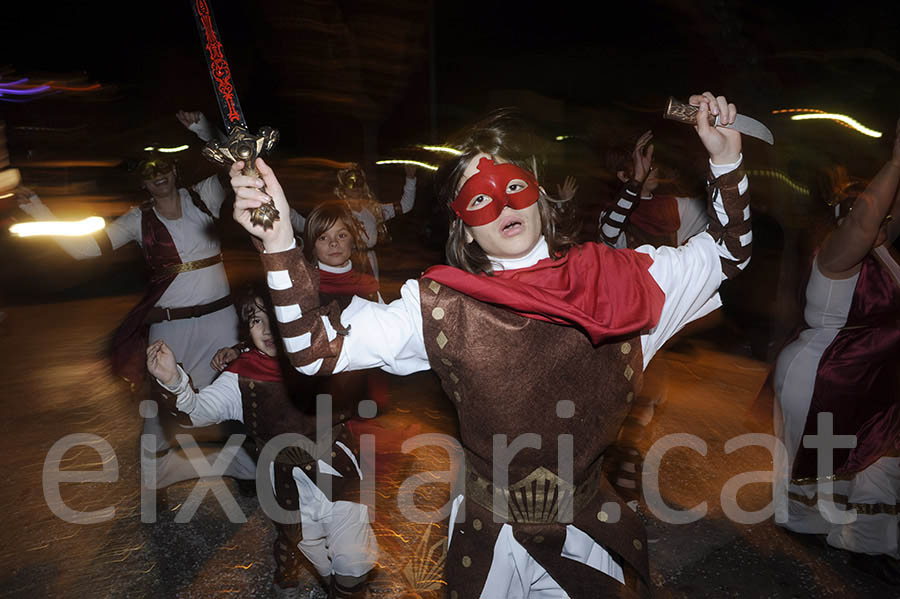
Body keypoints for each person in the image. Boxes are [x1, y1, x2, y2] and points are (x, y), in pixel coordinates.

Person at [230, 92, 750, 598]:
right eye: (479, 197)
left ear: (541, 194)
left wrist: (727, 161)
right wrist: (278, 245)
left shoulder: (628, 282)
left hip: (588, 533)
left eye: (513, 184)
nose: (500, 203)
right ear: (466, 228)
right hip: (489, 543)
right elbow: (314, 350)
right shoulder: (441, 306)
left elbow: (730, 254)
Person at [15, 111, 260, 497]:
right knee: (161, 404)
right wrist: (38, 210)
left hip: (221, 322)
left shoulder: (203, 196)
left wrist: (200, 130)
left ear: (174, 171)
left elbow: (239, 160)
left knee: (240, 389)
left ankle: (250, 470)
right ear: (143, 182)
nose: (156, 174)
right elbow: (84, 249)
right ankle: (154, 480)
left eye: (162, 167)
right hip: (171, 327)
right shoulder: (136, 220)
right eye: (148, 171)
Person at [148, 287, 378, 599]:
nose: (267, 330)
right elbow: (196, 413)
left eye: (276, 319)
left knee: (351, 563)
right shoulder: (241, 376)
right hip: (285, 487)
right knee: (322, 564)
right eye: (256, 321)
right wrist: (173, 380)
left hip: (337, 468)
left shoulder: (325, 354)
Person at [773, 118, 900, 584]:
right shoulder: (837, 252)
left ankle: (857, 537)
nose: (875, 218)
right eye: (866, 210)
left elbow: (881, 223)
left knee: (869, 459)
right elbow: (867, 224)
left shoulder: (879, 254)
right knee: (853, 456)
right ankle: (854, 540)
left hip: (862, 375)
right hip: (825, 372)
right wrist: (895, 162)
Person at [597, 130, 710, 503]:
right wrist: (634, 186)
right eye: (641, 160)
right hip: (624, 322)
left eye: (652, 159)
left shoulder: (677, 207)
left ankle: (621, 474)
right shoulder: (611, 212)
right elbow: (609, 231)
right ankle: (611, 476)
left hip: (662, 319)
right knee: (625, 400)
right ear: (622, 174)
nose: (652, 166)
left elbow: (717, 217)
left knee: (648, 397)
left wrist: (720, 159)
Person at [599, 130, 708, 249]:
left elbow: (717, 210)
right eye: (642, 165)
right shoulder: (613, 213)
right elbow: (609, 235)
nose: (653, 170)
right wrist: (636, 181)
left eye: (652, 163)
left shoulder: (672, 205)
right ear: (623, 176)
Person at [331, 163, 417, 280]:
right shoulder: (336, 213)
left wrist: (410, 178)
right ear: (343, 187)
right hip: (346, 263)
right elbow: (307, 225)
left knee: (373, 295)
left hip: (371, 263)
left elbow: (405, 205)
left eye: (359, 181)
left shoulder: (373, 210)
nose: (356, 186)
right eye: (350, 182)